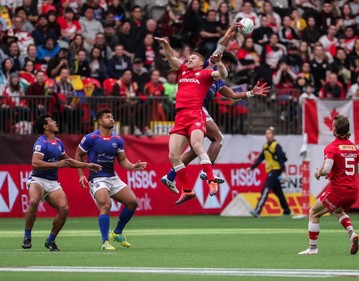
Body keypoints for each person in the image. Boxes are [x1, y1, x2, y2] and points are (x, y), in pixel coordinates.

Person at [155, 36, 228, 205]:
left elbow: (223, 74)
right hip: (180, 117)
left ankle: (211, 180)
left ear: (201, 63)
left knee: (196, 146)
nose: (190, 59)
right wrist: (166, 44)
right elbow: (171, 57)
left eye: (193, 58)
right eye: (189, 58)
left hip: (195, 114)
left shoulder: (205, 74)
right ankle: (187, 190)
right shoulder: (182, 71)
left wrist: (220, 62)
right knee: (173, 155)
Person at [22, 114, 102, 251]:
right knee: (34, 201)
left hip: (52, 182)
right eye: (52, 121)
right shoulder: (41, 143)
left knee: (64, 209)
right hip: (38, 180)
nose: (55, 122)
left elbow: (68, 161)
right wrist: (56, 164)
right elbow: (35, 163)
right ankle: (27, 236)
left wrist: (87, 165)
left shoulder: (58, 143)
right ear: (46, 126)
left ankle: (50, 240)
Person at [75, 109, 147, 250]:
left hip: (112, 177)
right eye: (108, 117)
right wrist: (81, 174)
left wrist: (133, 166)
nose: (111, 119)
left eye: (112, 117)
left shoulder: (117, 139)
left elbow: (123, 160)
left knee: (132, 202)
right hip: (97, 178)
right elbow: (78, 156)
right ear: (100, 121)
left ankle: (118, 232)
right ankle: (105, 242)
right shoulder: (91, 138)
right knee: (105, 206)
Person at [299, 115, 359, 255]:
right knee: (338, 211)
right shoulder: (353, 147)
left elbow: (326, 169)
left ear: (334, 130)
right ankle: (352, 234)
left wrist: (318, 173)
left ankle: (313, 249)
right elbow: (358, 170)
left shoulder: (332, 147)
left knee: (313, 213)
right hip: (353, 191)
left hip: (339, 191)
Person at [248, 127, 291, 218]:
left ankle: (257, 210)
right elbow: (260, 158)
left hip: (276, 170)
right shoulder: (265, 146)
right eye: (266, 133)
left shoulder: (276, 145)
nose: (267, 135)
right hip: (270, 171)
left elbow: (281, 159)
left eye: (269, 133)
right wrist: (251, 168)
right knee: (278, 192)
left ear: (273, 134)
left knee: (265, 189)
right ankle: (287, 210)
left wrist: (283, 171)